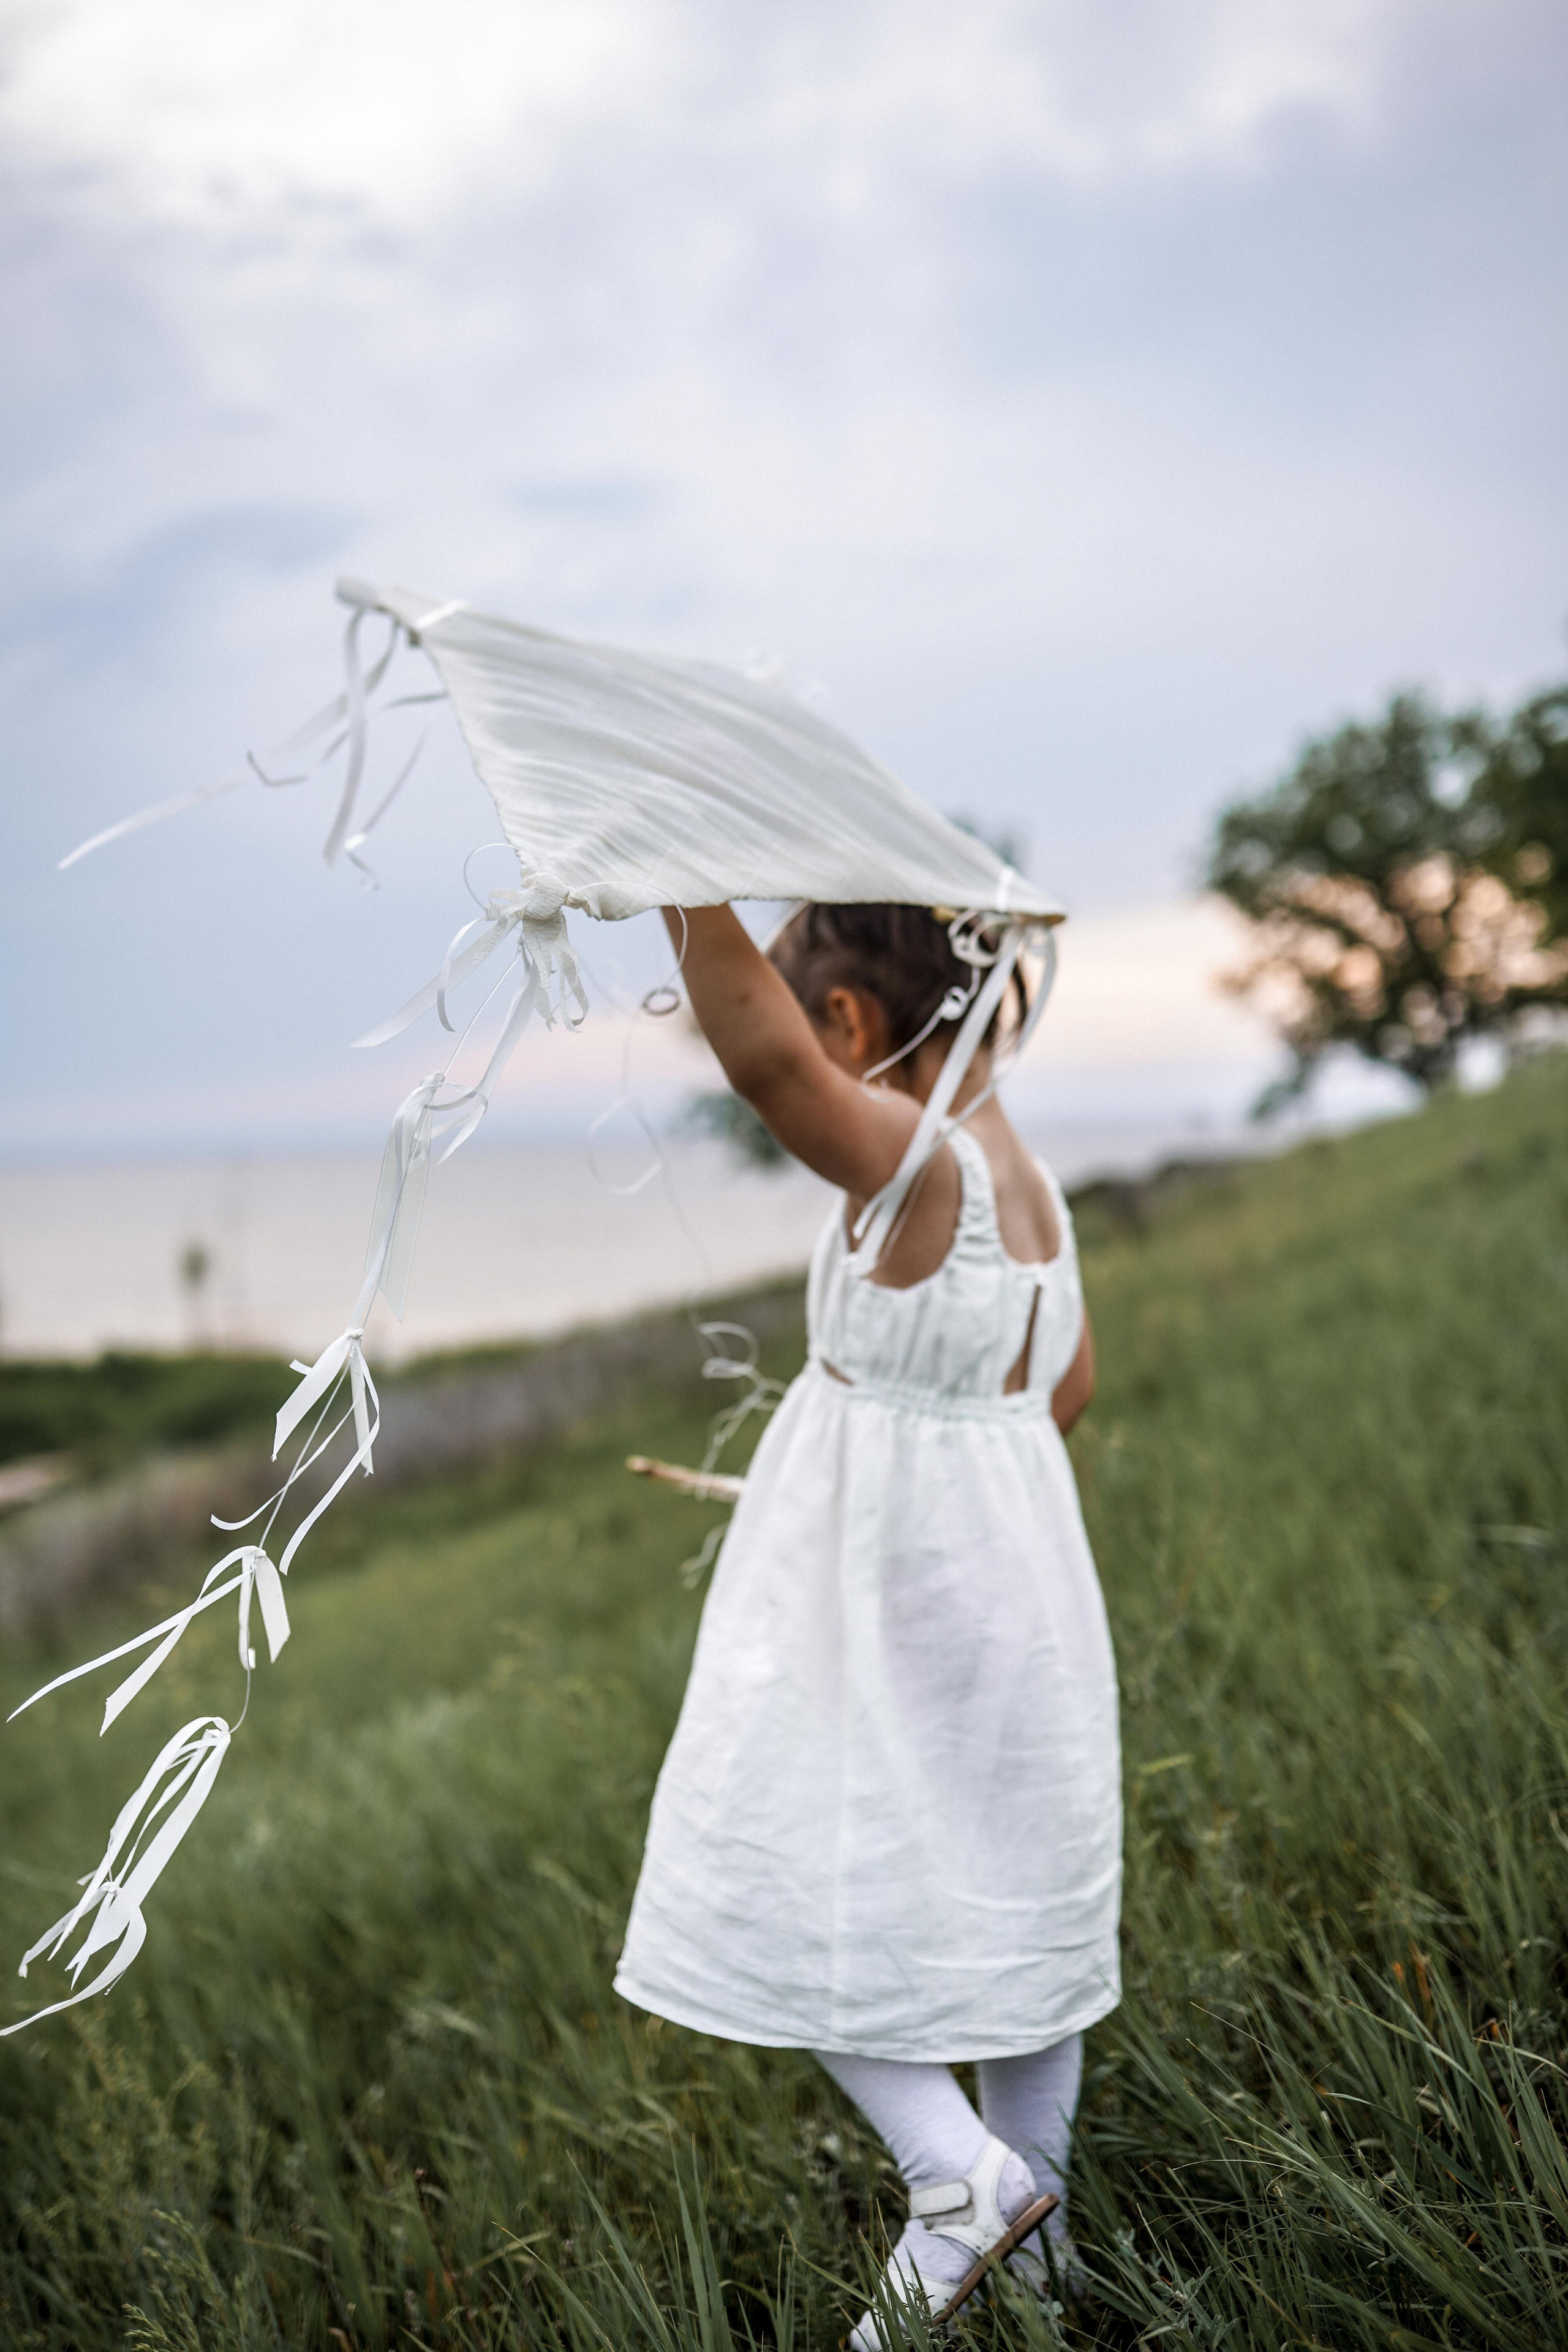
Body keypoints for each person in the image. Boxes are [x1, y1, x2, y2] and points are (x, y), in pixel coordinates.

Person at [614, 901, 1121, 2344]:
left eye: (812, 1024)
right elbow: (1059, 1392)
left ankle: (951, 2177)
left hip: (883, 1605)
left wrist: (679, 885)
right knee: (1018, 1902)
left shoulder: (914, 1167)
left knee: (788, 1858)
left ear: (847, 1026)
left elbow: (765, 1069)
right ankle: (1039, 2229)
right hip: (1018, 1607)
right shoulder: (1032, 1190)